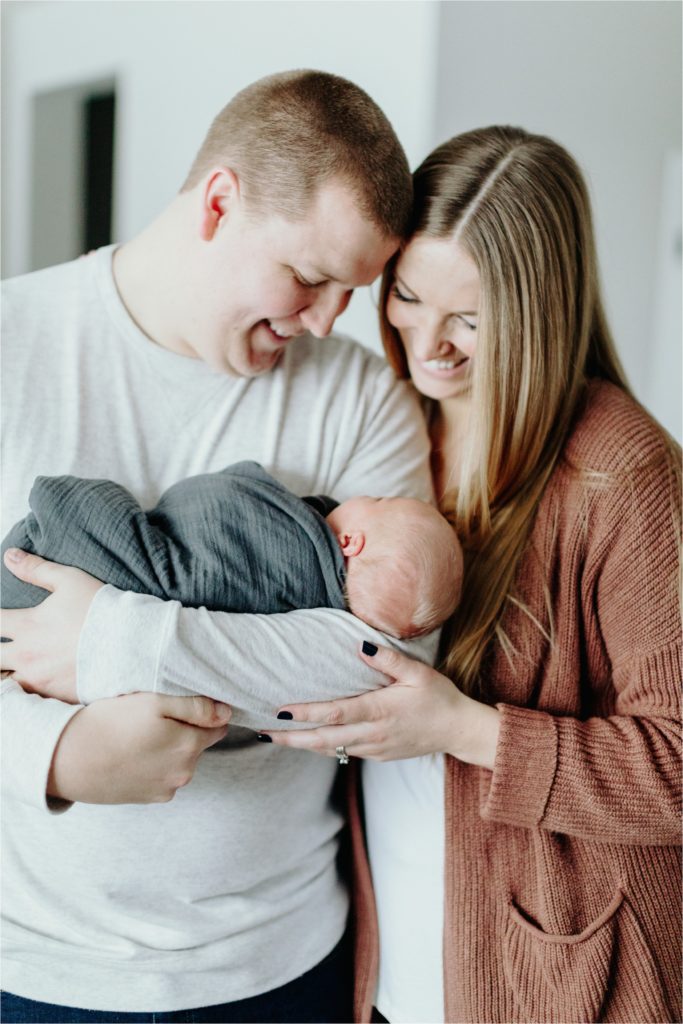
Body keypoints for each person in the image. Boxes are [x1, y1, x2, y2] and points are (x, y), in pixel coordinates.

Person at [0, 70, 440, 1023]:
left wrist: (111, 641)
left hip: (279, 964)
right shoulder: (12, 343)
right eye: (312, 277)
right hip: (38, 967)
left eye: (349, 293)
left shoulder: (358, 398)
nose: (327, 321)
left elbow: (384, 665)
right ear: (218, 202)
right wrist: (52, 752)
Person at [255, 127, 682, 1023]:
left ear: (541, 312)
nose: (428, 345)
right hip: (393, 963)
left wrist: (463, 727)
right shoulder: (388, 432)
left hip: (556, 979)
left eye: (472, 319)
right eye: (408, 296)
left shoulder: (624, 475)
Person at [2, 462, 462, 657]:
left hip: (85, 572)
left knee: (88, 511)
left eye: (378, 500)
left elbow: (216, 543)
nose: (364, 494)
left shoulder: (293, 558)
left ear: (351, 544)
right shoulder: (313, 612)